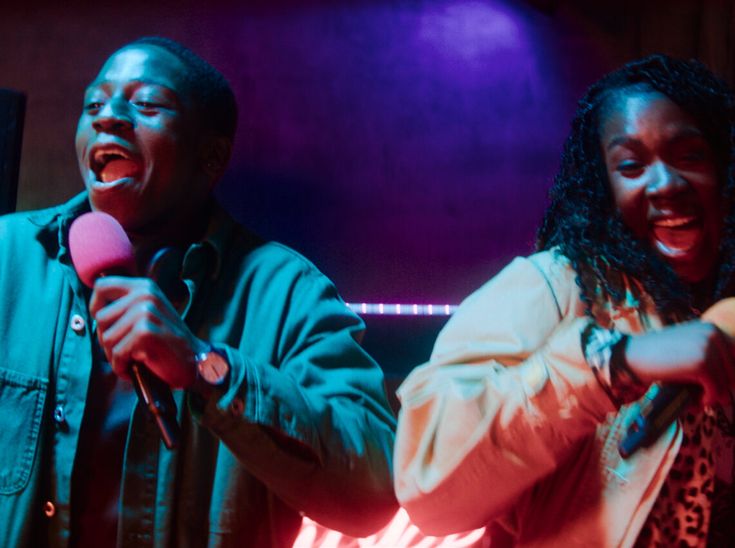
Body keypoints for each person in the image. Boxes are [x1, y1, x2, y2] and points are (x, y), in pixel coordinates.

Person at [0, 36, 397, 547]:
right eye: (93, 105)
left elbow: (374, 489)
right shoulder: (9, 258)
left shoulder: (287, 294)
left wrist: (203, 364)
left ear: (210, 158)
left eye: (146, 104)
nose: (108, 118)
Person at [394, 54, 735, 546]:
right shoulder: (555, 287)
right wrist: (613, 364)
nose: (666, 184)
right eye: (632, 165)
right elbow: (430, 490)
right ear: (602, 186)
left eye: (690, 156)